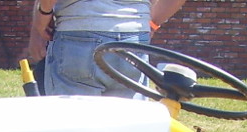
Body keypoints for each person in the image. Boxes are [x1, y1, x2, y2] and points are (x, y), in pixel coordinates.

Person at [27, 0, 186, 98]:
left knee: (74, 131)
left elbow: (46, 8)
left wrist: (41, 19)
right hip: (134, 37)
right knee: (124, 131)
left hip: (79, 31)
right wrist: (150, 23)